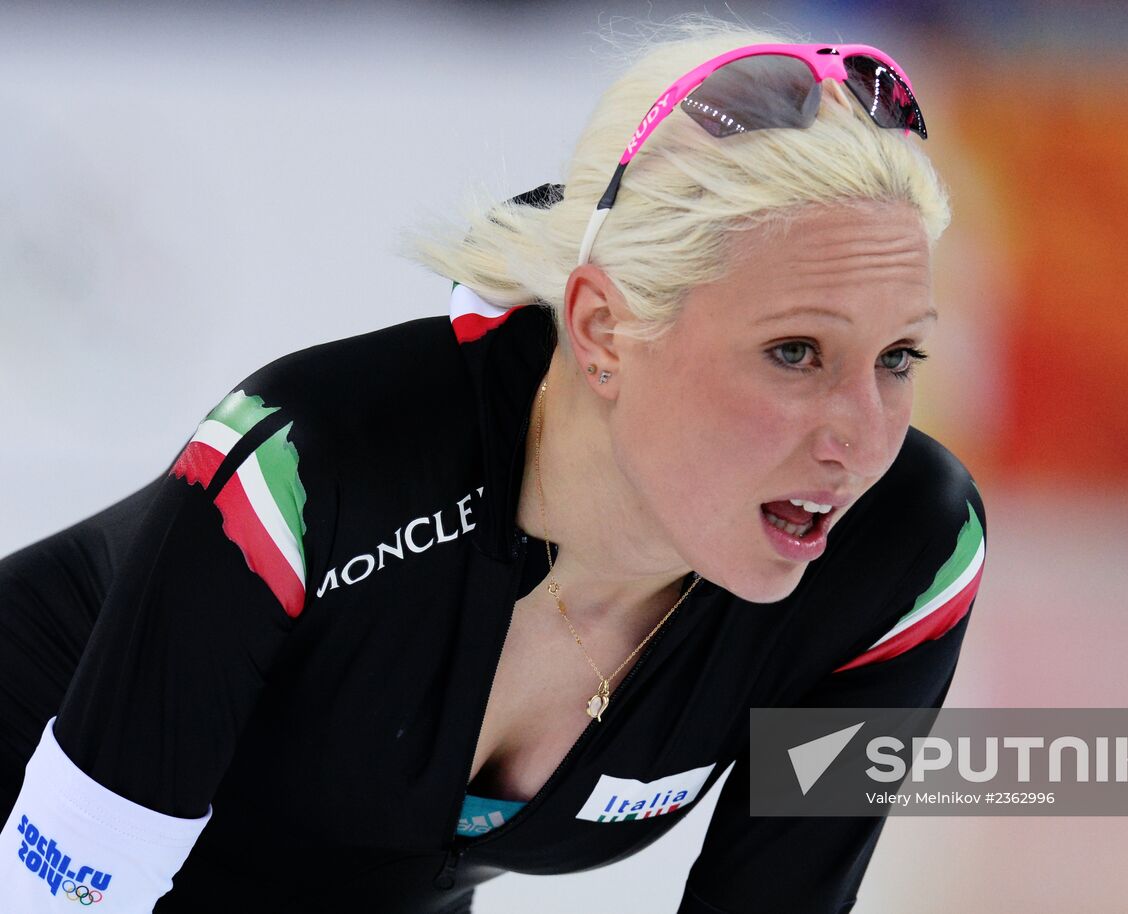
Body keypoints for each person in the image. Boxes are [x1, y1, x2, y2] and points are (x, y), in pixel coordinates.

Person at [0, 20, 986, 914]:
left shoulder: (901, 559)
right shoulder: (315, 461)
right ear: (603, 326)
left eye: (898, 357)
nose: (859, 437)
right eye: (793, 352)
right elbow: (74, 886)